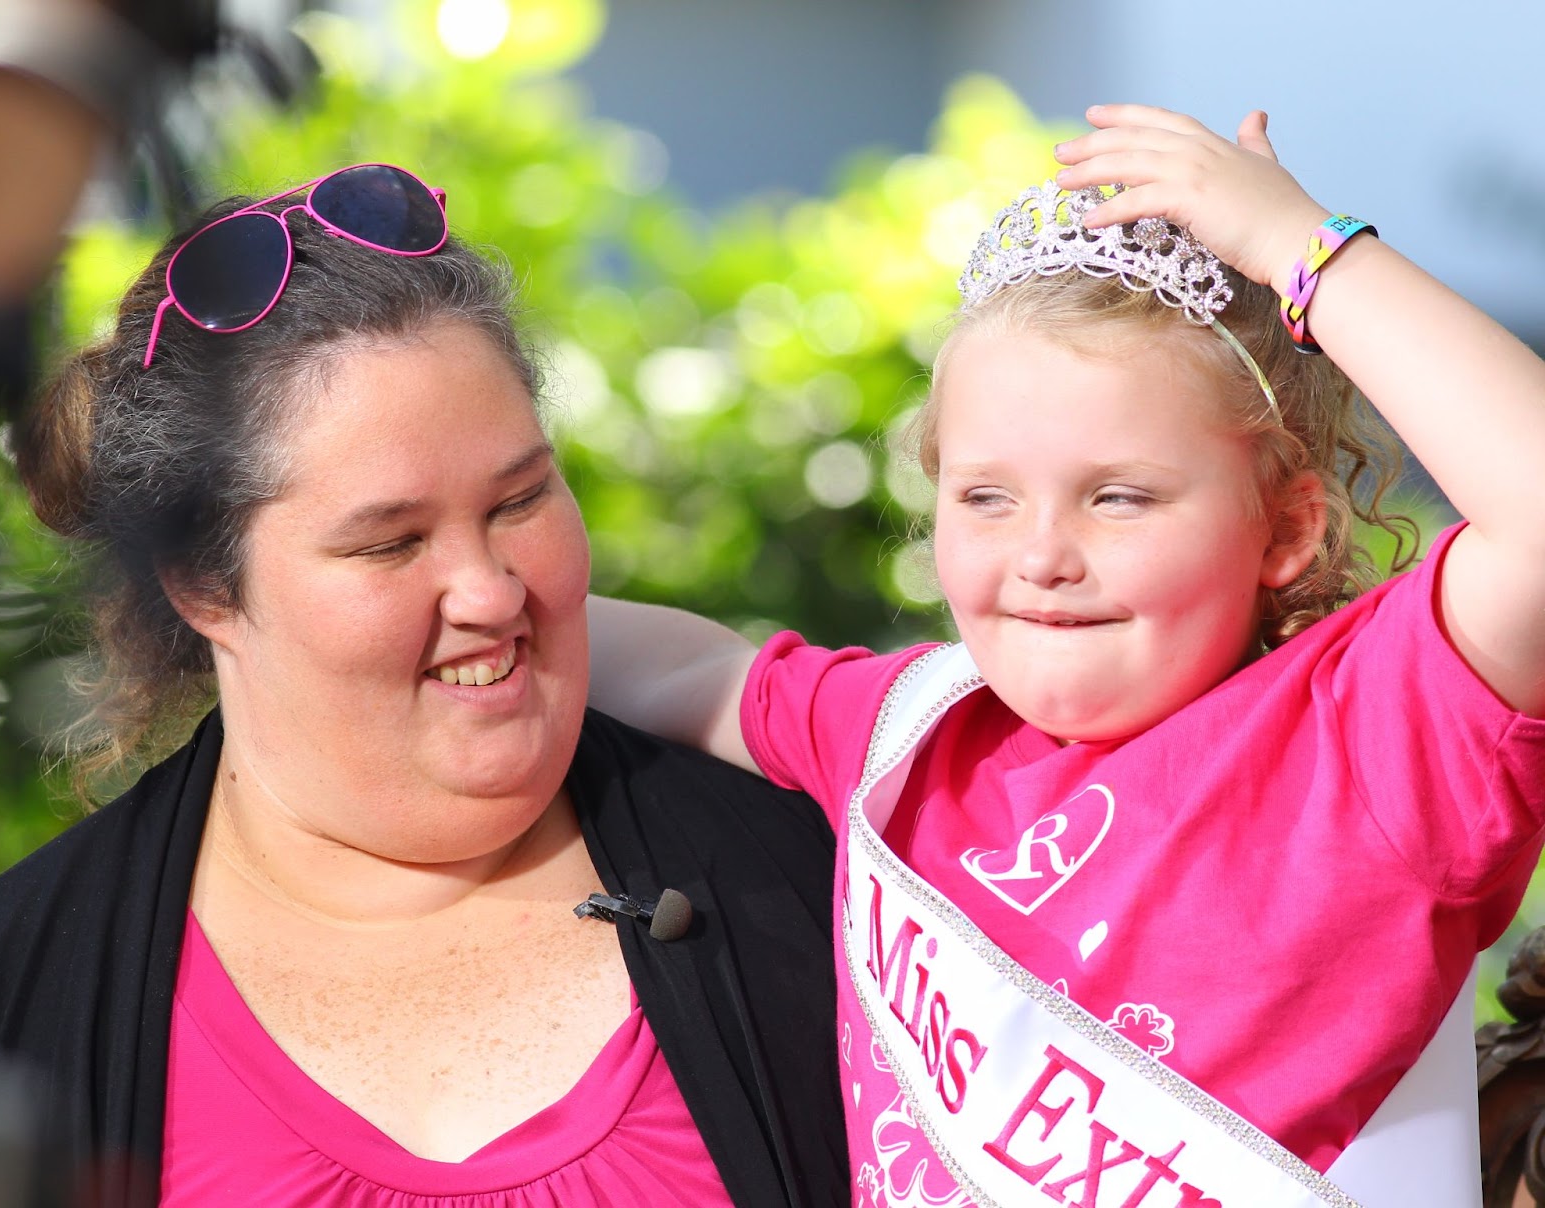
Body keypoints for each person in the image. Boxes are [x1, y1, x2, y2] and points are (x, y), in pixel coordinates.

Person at [588, 105, 1545, 1205]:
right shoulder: (913, 732)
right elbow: (688, 674)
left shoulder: (1370, 737)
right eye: (985, 497)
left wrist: (1303, 247)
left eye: (1118, 497)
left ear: (1282, 529)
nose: (1041, 554)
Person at [0, 163, 847, 1208]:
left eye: (519, 500)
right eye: (391, 541)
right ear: (201, 581)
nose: (487, 589)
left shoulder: (827, 881)